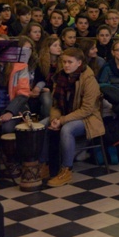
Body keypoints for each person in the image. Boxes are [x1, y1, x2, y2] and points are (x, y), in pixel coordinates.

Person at [39, 48, 104, 187]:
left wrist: (61, 121)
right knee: (43, 124)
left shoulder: (88, 79)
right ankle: (44, 165)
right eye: (64, 62)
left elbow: (87, 109)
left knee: (67, 129)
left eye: (70, 62)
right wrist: (55, 119)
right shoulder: (60, 77)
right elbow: (55, 104)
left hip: (88, 118)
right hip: (66, 114)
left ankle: (66, 170)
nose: (66, 65)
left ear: (79, 63)